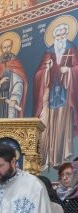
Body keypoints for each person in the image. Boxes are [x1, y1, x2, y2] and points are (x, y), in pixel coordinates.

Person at [33, 22, 78, 168]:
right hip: (51, 96)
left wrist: (69, 71)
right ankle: (49, 158)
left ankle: (62, 157)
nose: (61, 37)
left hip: (65, 94)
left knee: (62, 125)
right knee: (50, 126)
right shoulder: (49, 51)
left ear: (67, 35)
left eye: (63, 34)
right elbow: (38, 74)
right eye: (58, 35)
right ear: (54, 36)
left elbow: (77, 67)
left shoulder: (71, 48)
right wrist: (47, 69)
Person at [0, 36, 27, 119]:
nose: (7, 49)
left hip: (10, 98)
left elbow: (19, 82)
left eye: (8, 47)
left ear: (11, 47)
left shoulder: (16, 63)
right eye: (4, 47)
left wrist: (14, 99)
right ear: (1, 49)